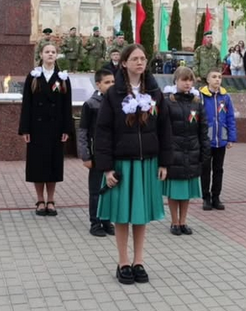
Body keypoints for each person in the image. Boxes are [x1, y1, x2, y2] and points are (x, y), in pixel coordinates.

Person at [94, 43, 172, 285]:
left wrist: (164, 162)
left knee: (140, 215)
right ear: (124, 63)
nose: (140, 62)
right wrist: (106, 167)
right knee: (122, 215)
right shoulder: (113, 94)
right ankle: (123, 262)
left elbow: (165, 128)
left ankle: (139, 261)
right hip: (122, 164)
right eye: (135, 58)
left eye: (143, 58)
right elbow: (103, 132)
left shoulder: (156, 93)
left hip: (147, 162)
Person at [19, 43, 73, 216]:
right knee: (37, 165)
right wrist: (25, 129)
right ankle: (40, 199)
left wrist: (67, 129)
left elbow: (67, 105)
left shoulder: (62, 78)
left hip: (56, 129)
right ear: (41, 55)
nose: (50, 54)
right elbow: (26, 104)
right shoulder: (33, 76)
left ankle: (51, 199)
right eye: (47, 52)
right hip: (36, 128)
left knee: (53, 165)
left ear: (56, 56)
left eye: (53, 52)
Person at [163, 67, 210, 235]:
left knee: (187, 192)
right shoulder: (168, 101)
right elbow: (164, 129)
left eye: (190, 80)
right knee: (175, 191)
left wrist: (205, 151)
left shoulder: (197, 102)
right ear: (176, 81)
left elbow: (203, 129)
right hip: (174, 153)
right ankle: (174, 222)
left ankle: (184, 221)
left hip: (192, 152)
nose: (188, 83)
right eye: (184, 80)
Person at [77, 68, 116, 237]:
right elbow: (83, 131)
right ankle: (95, 222)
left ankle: (107, 220)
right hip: (96, 154)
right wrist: (85, 155)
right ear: (98, 84)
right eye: (107, 82)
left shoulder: (118, 102)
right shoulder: (90, 105)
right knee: (96, 190)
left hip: (113, 154)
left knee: (110, 188)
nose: (111, 85)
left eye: (113, 82)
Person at [200, 69, 237, 211]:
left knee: (218, 169)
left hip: (221, 139)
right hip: (206, 140)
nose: (217, 79)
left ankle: (216, 197)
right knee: (205, 169)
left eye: (219, 77)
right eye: (214, 77)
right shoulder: (202, 97)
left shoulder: (225, 97)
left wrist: (231, 138)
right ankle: (206, 197)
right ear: (208, 80)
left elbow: (230, 118)